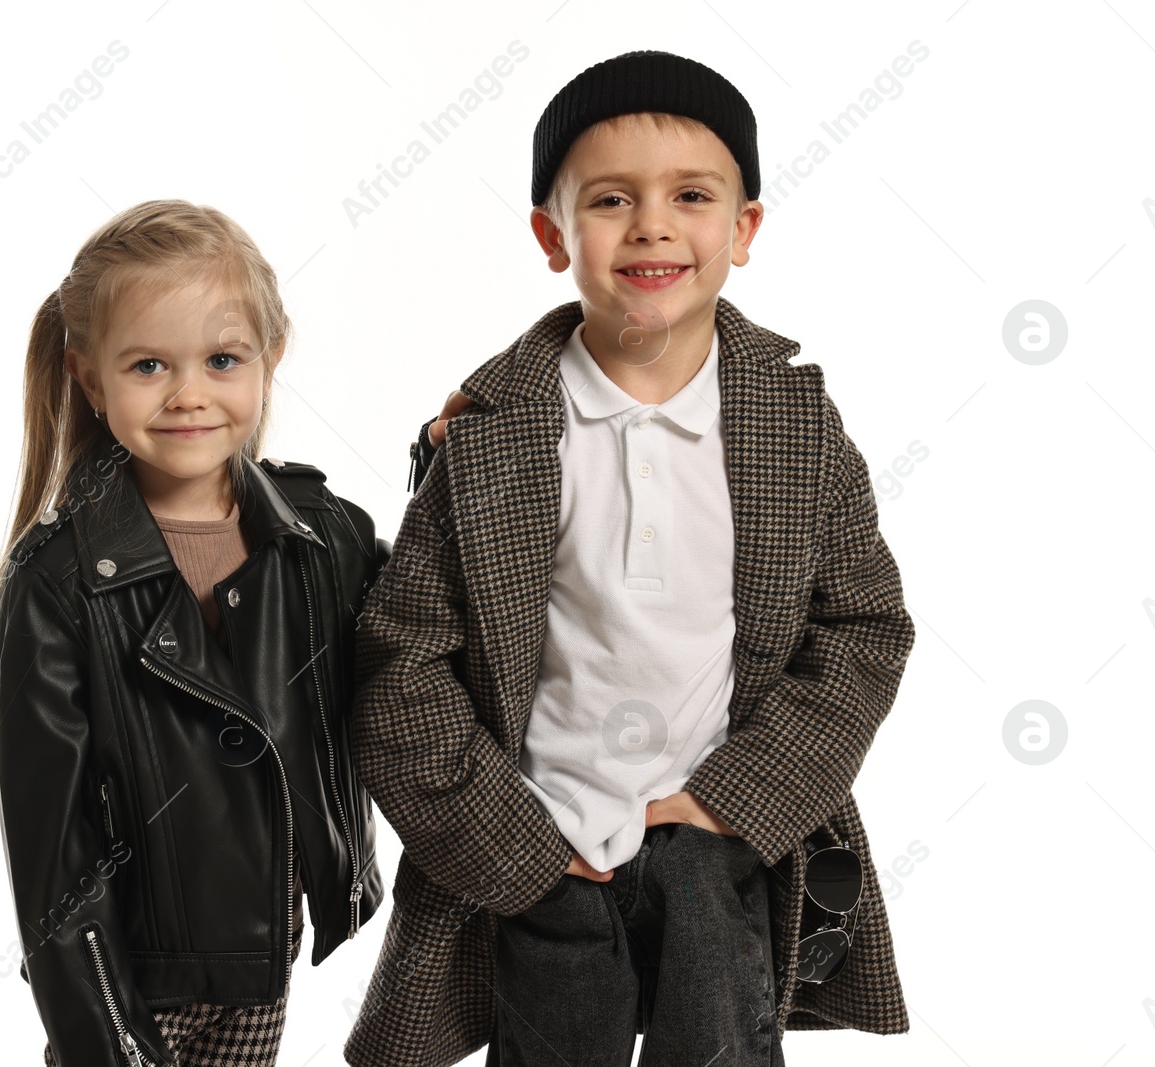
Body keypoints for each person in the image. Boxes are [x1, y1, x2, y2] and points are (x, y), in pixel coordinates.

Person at [347, 51, 916, 1067]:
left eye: (690, 196)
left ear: (741, 230)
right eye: (610, 199)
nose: (651, 224)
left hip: (717, 835)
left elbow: (863, 627)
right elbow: (400, 665)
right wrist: (506, 841)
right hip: (538, 842)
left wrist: (734, 799)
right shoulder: (489, 436)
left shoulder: (798, 427)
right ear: (551, 235)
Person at [0, 200, 387, 1066]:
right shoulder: (57, 583)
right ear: (90, 378)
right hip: (129, 986)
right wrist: (113, 1042)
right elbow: (53, 857)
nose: (189, 393)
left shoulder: (324, 536)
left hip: (262, 970)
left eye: (222, 359)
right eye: (148, 365)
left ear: (269, 361)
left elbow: (427, 634)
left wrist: (452, 464)